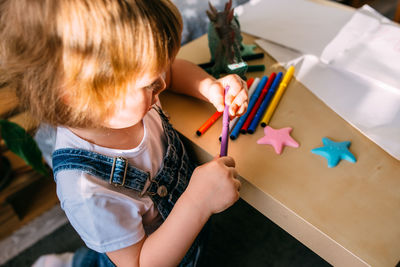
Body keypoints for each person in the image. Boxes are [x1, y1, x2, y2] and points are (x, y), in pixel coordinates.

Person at [0, 0, 248, 266]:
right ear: (78, 96)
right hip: (146, 254)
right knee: (99, 260)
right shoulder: (86, 190)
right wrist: (198, 204)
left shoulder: (115, 98)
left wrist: (209, 87)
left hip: (183, 227)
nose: (162, 84)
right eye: (150, 83)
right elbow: (139, 263)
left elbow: (172, 73)